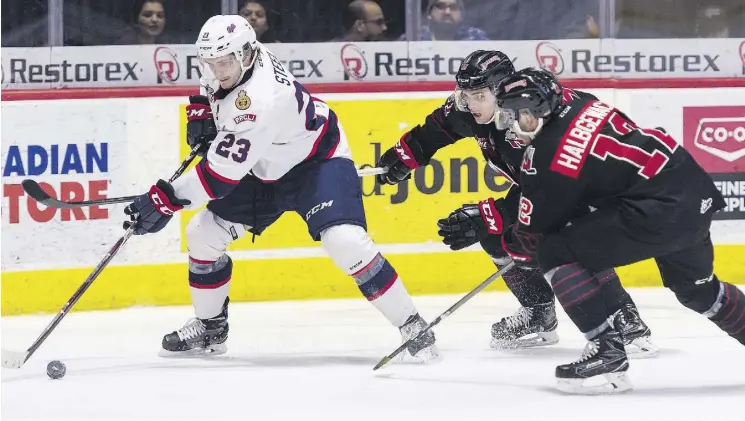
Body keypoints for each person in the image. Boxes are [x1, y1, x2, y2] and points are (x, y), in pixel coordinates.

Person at [121, 15, 438, 363]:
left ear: (244, 55)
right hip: (264, 164)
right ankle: (211, 328)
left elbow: (217, 179)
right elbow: (210, 83)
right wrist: (201, 109)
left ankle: (412, 325)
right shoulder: (235, 58)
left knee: (345, 241)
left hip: (316, 162)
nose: (216, 69)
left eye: (223, 62)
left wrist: (164, 200)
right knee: (202, 235)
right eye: (209, 62)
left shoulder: (258, 101)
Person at [375, 50, 656, 358]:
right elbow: (437, 130)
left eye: (479, 95)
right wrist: (402, 158)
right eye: (465, 94)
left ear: (501, 90)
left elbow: (554, 193)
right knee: (498, 234)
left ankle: (624, 317)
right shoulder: (471, 110)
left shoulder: (537, 115)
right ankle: (539, 313)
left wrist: (490, 214)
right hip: (554, 189)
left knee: (567, 236)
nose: (470, 104)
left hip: (609, 189)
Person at [492, 68, 745, 394]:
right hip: (691, 189)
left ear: (540, 110)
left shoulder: (546, 155)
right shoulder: (583, 102)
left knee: (553, 251)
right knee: (699, 291)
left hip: (656, 210)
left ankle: (607, 354)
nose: (514, 126)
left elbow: (529, 241)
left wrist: (515, 248)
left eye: (521, 116)